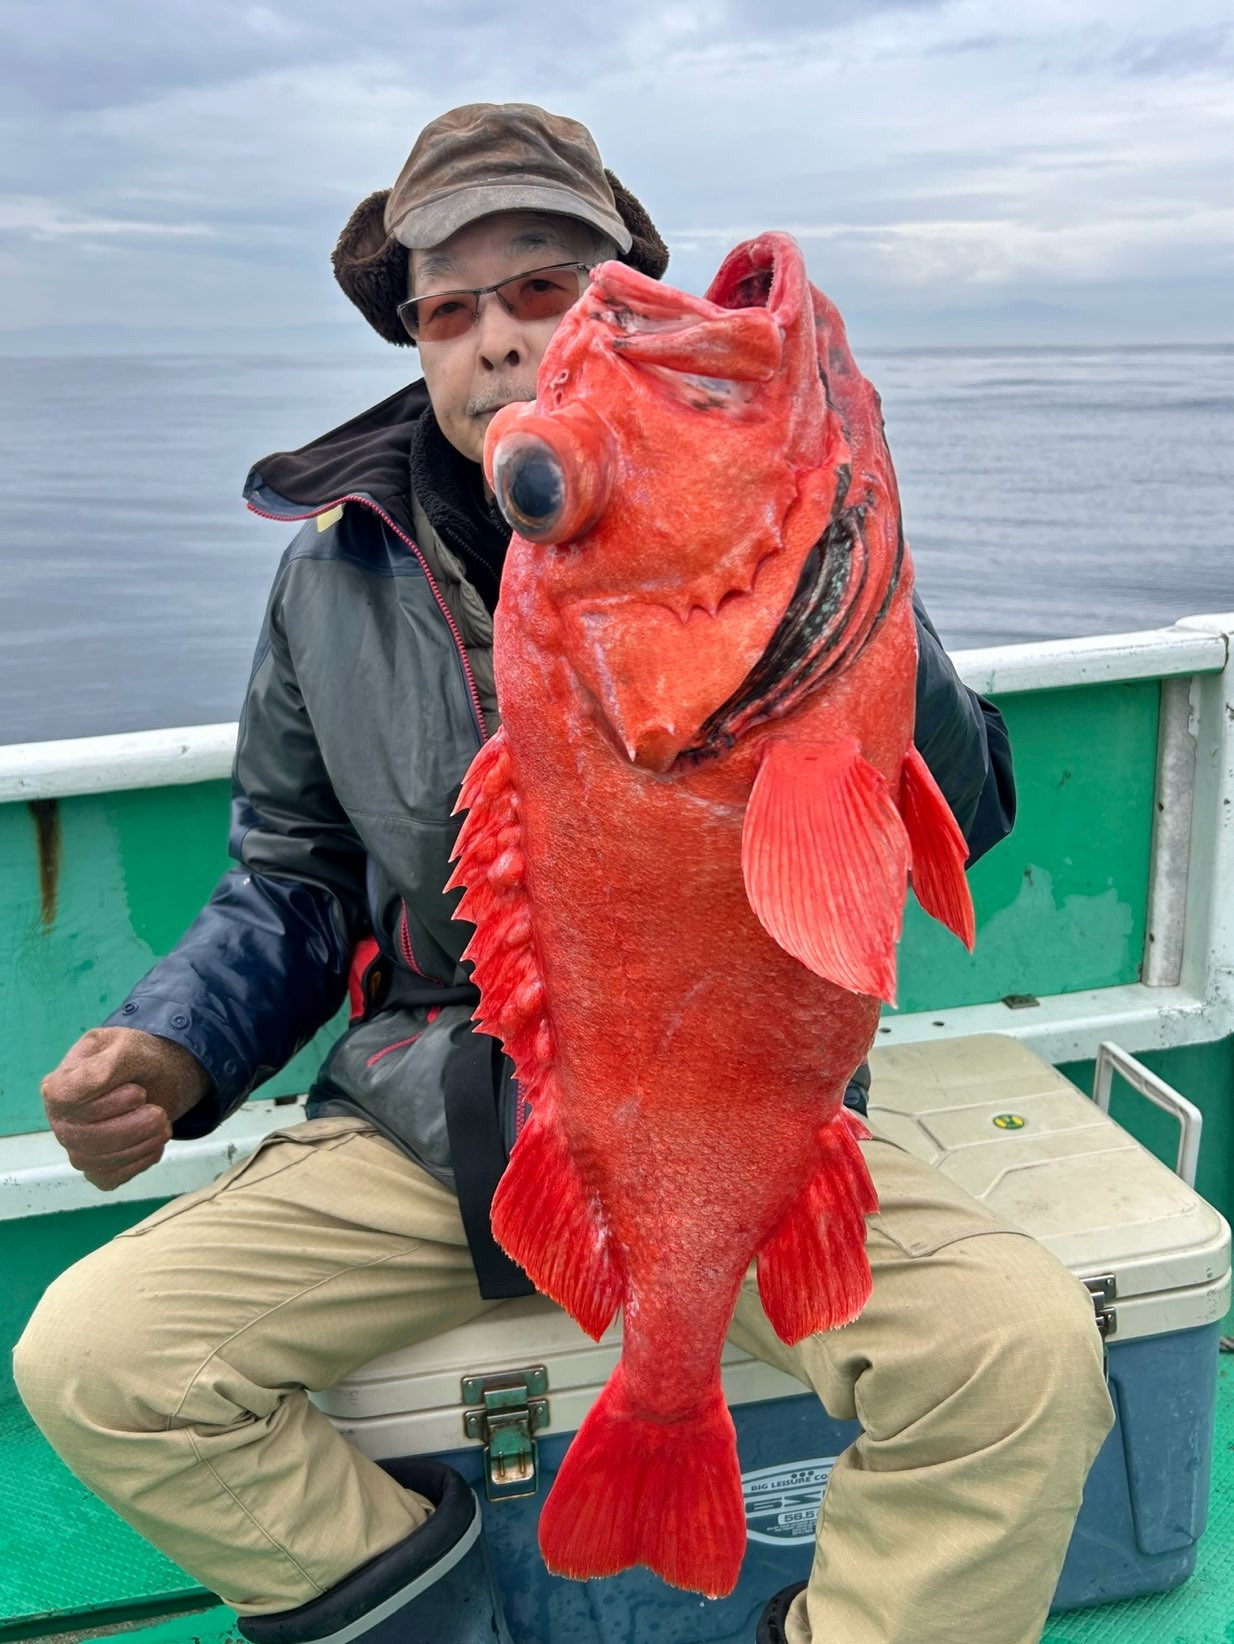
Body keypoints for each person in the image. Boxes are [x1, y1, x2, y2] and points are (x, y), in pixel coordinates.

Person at [12, 102, 1113, 1644]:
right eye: (446, 310)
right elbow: (295, 874)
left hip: (727, 1130)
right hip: (425, 1122)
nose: (493, 339)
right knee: (97, 1357)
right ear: (415, 345)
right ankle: (436, 1620)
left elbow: (966, 806)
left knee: (1018, 1355)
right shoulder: (329, 572)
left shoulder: (779, 533)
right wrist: (173, 1042)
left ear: (615, 290)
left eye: (539, 287)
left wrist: (850, 569)